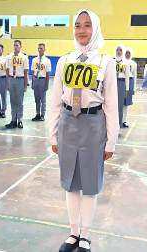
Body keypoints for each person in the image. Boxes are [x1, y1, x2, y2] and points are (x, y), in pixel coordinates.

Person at [49, 9, 118, 252]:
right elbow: (56, 99)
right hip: (68, 123)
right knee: (70, 182)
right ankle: (73, 232)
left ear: (95, 28)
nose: (81, 30)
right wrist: (53, 132)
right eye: (78, 25)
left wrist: (111, 142)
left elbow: (111, 104)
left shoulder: (106, 63)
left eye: (87, 25)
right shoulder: (65, 61)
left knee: (89, 183)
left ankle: (86, 235)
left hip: (93, 124)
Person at [5, 40, 29, 129]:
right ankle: (13, 120)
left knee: (19, 102)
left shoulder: (24, 58)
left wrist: (25, 85)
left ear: (20, 46)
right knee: (12, 101)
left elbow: (26, 72)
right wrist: (7, 83)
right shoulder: (9, 57)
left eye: (17, 45)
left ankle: (20, 120)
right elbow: (7, 70)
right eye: (14, 45)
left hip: (20, 80)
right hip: (11, 79)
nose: (15, 47)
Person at [31, 43, 51, 121]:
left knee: (43, 99)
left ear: (44, 49)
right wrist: (32, 82)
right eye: (38, 48)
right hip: (36, 79)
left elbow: (48, 73)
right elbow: (33, 72)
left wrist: (47, 84)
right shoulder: (34, 60)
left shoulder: (47, 61)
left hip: (43, 80)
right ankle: (37, 114)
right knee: (37, 99)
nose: (39, 50)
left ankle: (42, 115)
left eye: (41, 48)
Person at [115, 45, 129, 128]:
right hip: (113, 83)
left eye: (120, 50)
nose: (119, 51)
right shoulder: (112, 61)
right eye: (117, 50)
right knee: (111, 104)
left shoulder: (125, 63)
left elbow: (127, 76)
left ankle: (118, 124)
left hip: (121, 83)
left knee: (120, 105)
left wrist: (127, 89)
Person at [123, 47, 136, 127]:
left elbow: (134, 75)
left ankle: (124, 120)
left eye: (129, 53)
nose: (127, 54)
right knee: (120, 103)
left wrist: (133, 88)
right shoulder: (121, 62)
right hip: (122, 82)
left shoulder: (134, 64)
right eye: (126, 53)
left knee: (126, 104)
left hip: (130, 82)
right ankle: (119, 119)